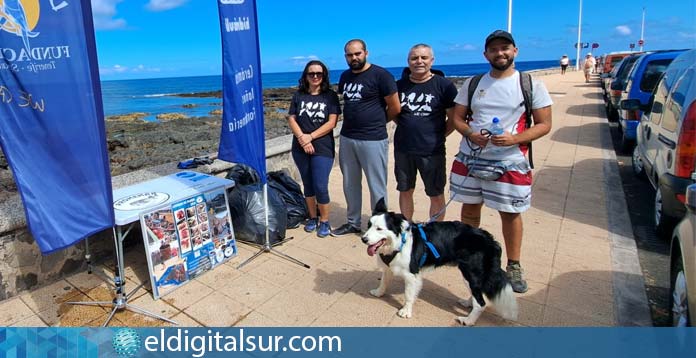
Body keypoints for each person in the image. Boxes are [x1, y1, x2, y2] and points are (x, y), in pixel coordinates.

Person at [449, 30, 553, 293]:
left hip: (511, 161)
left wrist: (515, 138)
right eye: (494, 49)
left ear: (515, 51)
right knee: (470, 211)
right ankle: (471, 257)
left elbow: (544, 124)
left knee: (510, 214)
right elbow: (458, 119)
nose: (500, 53)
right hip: (471, 158)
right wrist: (471, 133)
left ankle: (514, 264)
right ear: (486, 55)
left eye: (505, 48)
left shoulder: (530, 84)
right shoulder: (473, 84)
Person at [332, 39, 401, 236]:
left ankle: (379, 226)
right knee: (350, 183)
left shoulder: (381, 75)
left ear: (366, 53)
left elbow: (395, 107)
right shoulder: (345, 76)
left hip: (373, 138)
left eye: (357, 54)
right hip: (347, 137)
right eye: (349, 55)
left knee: (376, 185)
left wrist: (378, 122)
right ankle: (353, 222)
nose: (354, 58)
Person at [394, 44, 458, 222]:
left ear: (432, 60)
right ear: (408, 62)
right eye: (414, 58)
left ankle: (435, 229)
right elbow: (394, 113)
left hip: (432, 151)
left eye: (423, 58)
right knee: (405, 190)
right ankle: (406, 227)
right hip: (403, 149)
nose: (419, 61)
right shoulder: (399, 86)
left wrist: (438, 135)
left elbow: (453, 119)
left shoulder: (444, 86)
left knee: (435, 193)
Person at [287, 60, 341, 238]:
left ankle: (324, 220)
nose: (315, 76)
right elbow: (292, 119)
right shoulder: (298, 95)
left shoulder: (330, 96)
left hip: (322, 147)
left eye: (319, 73)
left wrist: (310, 137)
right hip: (300, 147)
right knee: (308, 184)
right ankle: (312, 217)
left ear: (324, 75)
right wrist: (303, 138)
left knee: (320, 185)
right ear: (306, 76)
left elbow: (332, 122)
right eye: (312, 74)